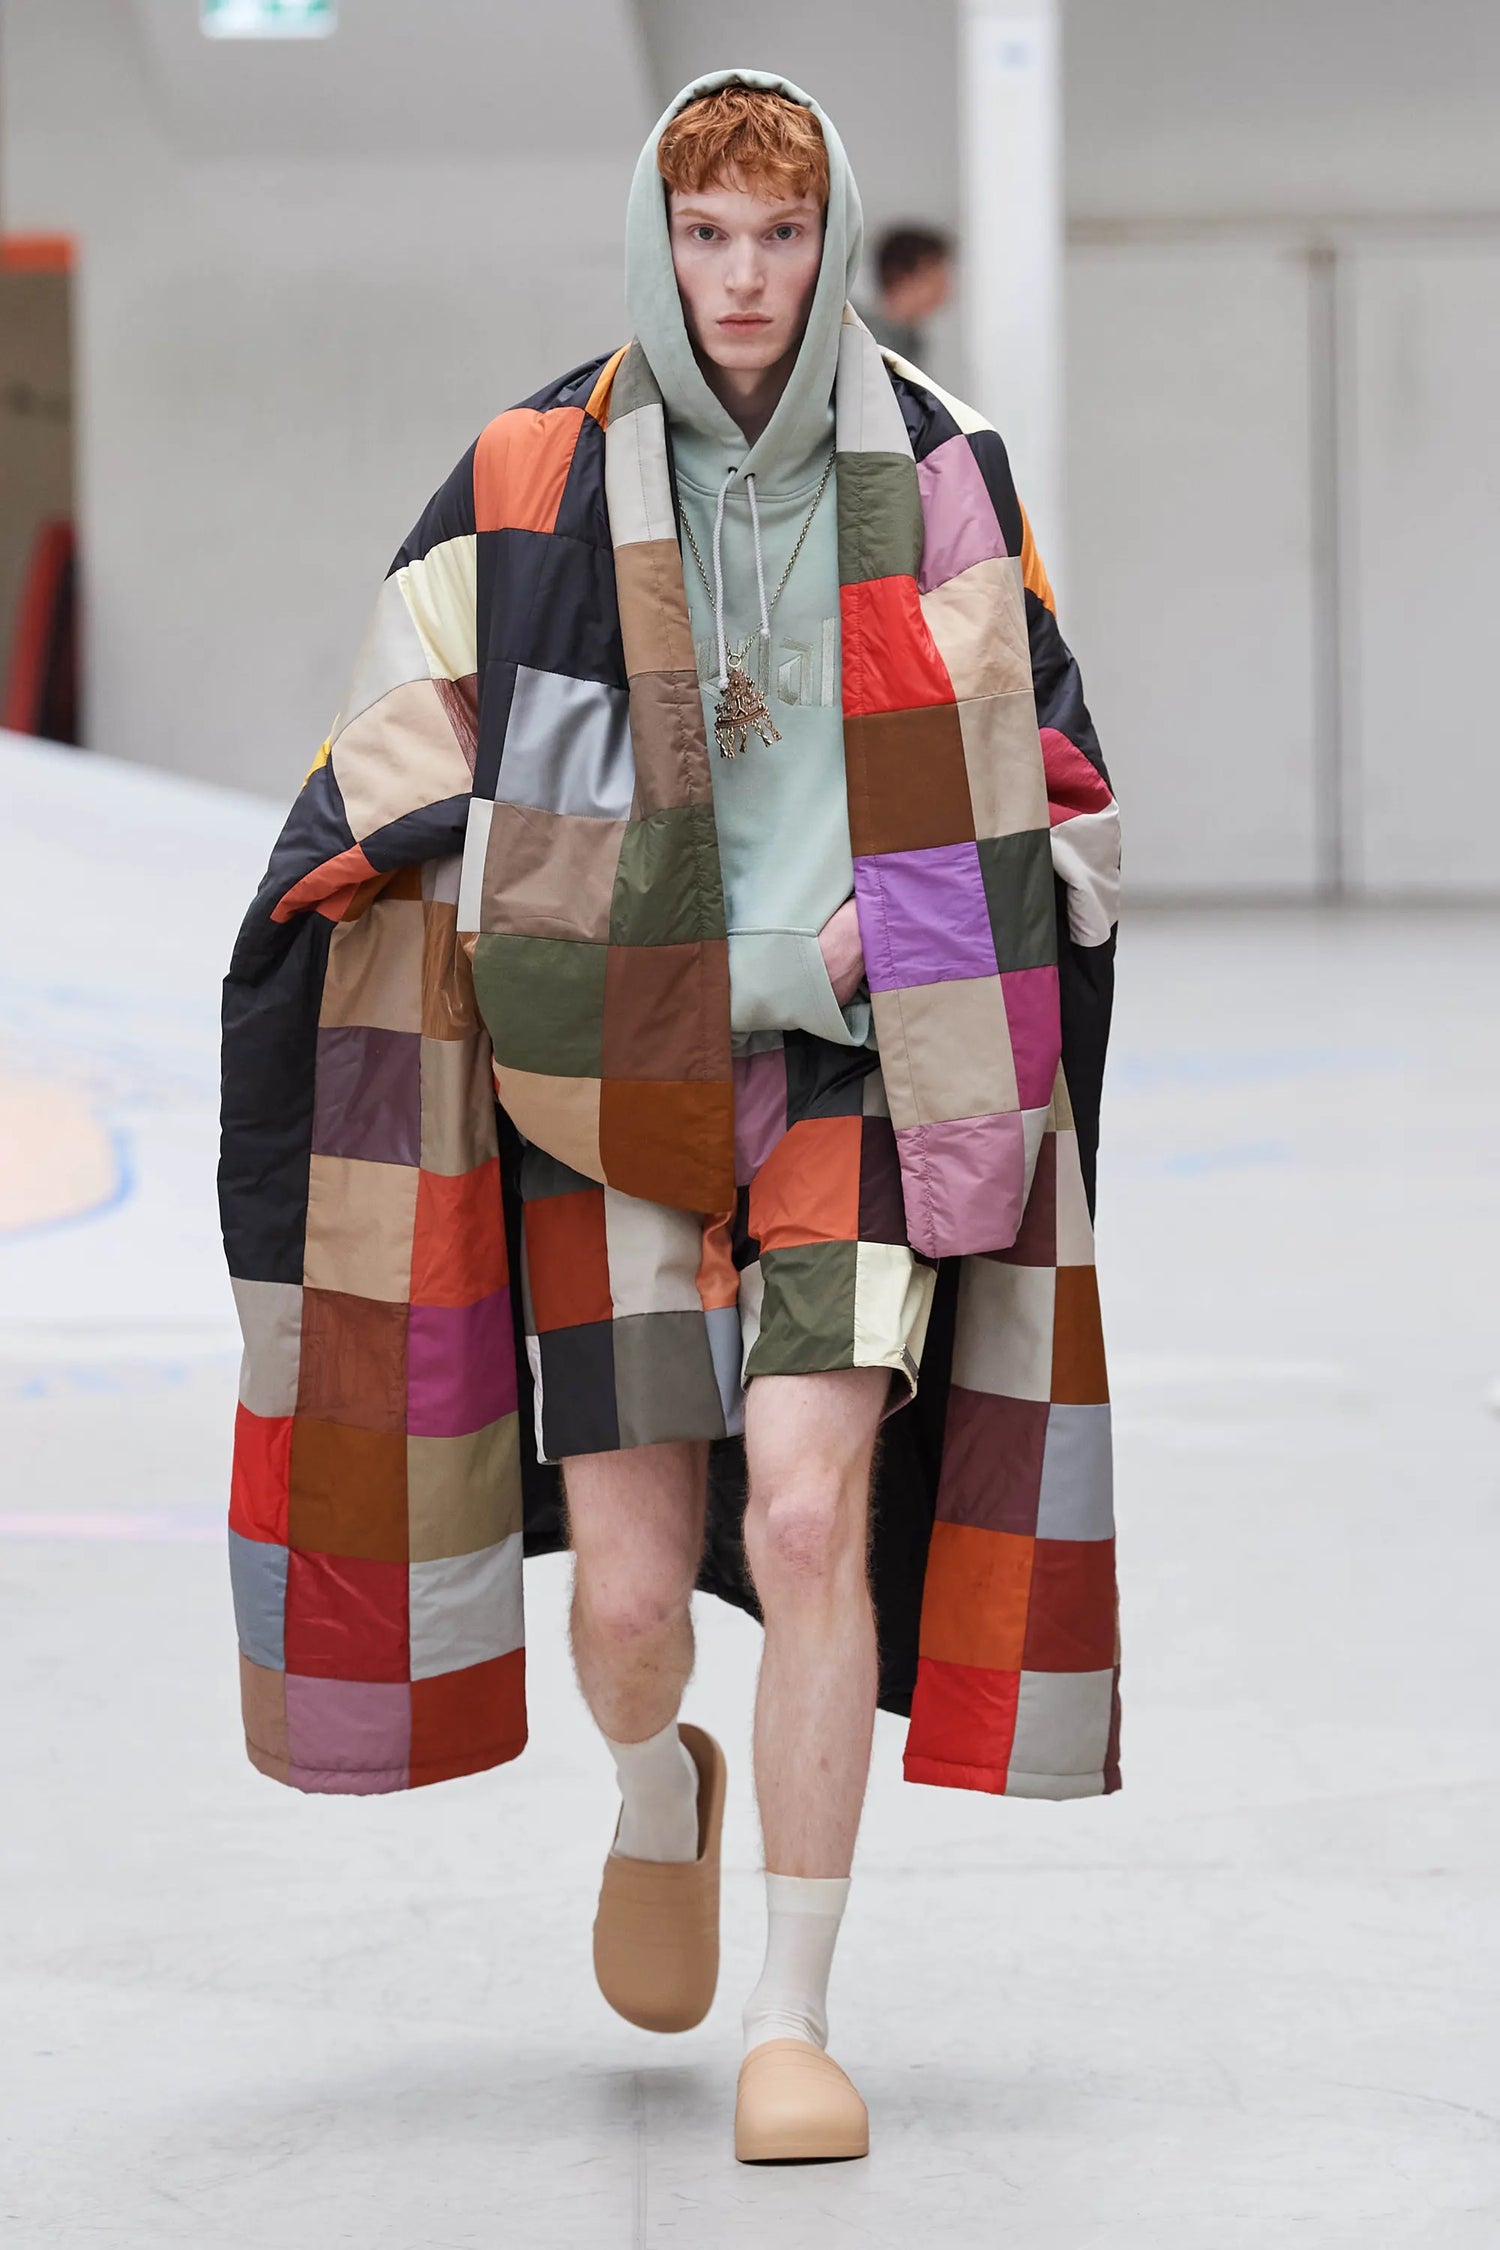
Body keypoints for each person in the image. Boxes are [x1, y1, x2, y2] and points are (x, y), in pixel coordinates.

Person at [218, 69, 1122, 2167]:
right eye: (707, 233)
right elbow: (390, 759)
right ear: (657, 237)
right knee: (627, 1603)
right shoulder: (524, 476)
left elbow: (1054, 782)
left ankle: (794, 2017)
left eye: (781, 234)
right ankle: (656, 1789)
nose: (744, 277)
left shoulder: (943, 466)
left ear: (833, 241)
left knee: (805, 1515)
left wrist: (907, 928)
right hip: (603, 1082)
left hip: (860, 1069)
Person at [861, 222, 955, 364]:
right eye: (934, 277)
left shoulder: (912, 342)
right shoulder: (860, 337)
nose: (945, 288)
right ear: (901, 277)